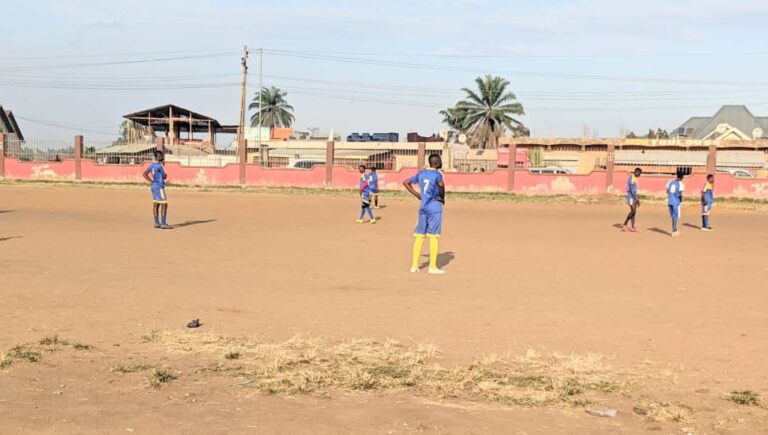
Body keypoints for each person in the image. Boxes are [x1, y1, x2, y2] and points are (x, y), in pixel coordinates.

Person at [403, 154, 445, 274]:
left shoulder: (421, 173)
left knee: (419, 236)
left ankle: (414, 266)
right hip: (434, 207)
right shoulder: (437, 174)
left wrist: (417, 195)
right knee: (434, 236)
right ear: (438, 162)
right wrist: (443, 198)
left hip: (423, 207)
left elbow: (406, 182)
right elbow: (441, 186)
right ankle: (432, 267)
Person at [142, 150, 170, 229]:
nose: (163, 157)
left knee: (156, 204)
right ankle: (163, 223)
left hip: (154, 186)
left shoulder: (152, 165)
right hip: (159, 187)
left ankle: (156, 223)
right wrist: (164, 172)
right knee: (164, 204)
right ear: (159, 157)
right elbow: (164, 176)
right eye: (162, 156)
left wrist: (151, 181)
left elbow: (144, 174)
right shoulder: (159, 166)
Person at [622, 167, 642, 232]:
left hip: (633, 197)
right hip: (631, 197)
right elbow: (631, 190)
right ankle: (625, 224)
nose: (640, 175)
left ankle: (633, 227)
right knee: (633, 211)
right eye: (640, 173)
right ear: (637, 172)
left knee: (634, 212)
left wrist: (636, 198)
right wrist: (636, 198)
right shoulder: (631, 178)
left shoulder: (634, 178)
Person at [667, 170, 685, 237]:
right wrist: (680, 198)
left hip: (669, 201)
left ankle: (674, 229)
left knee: (673, 217)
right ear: (682, 177)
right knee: (675, 217)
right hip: (675, 202)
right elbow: (678, 193)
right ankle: (674, 230)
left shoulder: (671, 182)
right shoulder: (678, 184)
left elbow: (668, 191)